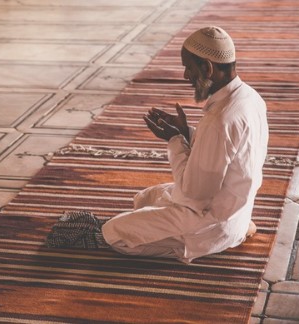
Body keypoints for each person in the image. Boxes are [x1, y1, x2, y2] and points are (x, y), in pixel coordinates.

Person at [101, 26, 269, 263]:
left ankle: (198, 245)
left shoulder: (219, 120)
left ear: (207, 68)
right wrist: (185, 132)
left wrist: (175, 141)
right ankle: (236, 228)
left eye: (188, 67)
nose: (185, 76)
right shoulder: (250, 97)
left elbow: (194, 193)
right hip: (231, 206)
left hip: (208, 218)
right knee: (145, 198)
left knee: (113, 233)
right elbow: (227, 151)